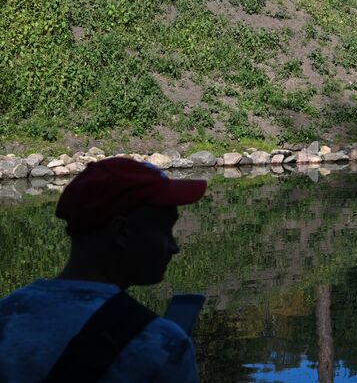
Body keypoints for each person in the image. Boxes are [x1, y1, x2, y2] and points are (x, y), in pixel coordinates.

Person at [0, 157, 207, 382]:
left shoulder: (7, 316)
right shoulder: (162, 345)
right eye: (166, 230)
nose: (174, 247)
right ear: (122, 231)